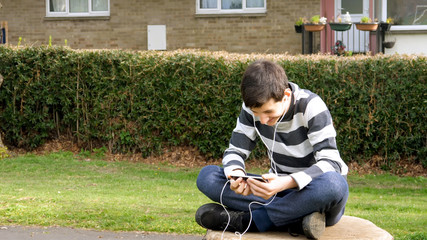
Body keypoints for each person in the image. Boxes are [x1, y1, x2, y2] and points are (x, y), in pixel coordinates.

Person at [195, 60, 349, 239]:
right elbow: (235, 151)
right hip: (276, 193)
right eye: (256, 114)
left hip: (313, 193)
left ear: (285, 95)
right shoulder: (252, 108)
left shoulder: (311, 106)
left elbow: (332, 163)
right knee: (207, 176)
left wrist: (286, 182)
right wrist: (235, 175)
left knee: (334, 184)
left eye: (268, 112)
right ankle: (297, 221)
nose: (262, 120)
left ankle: (248, 222)